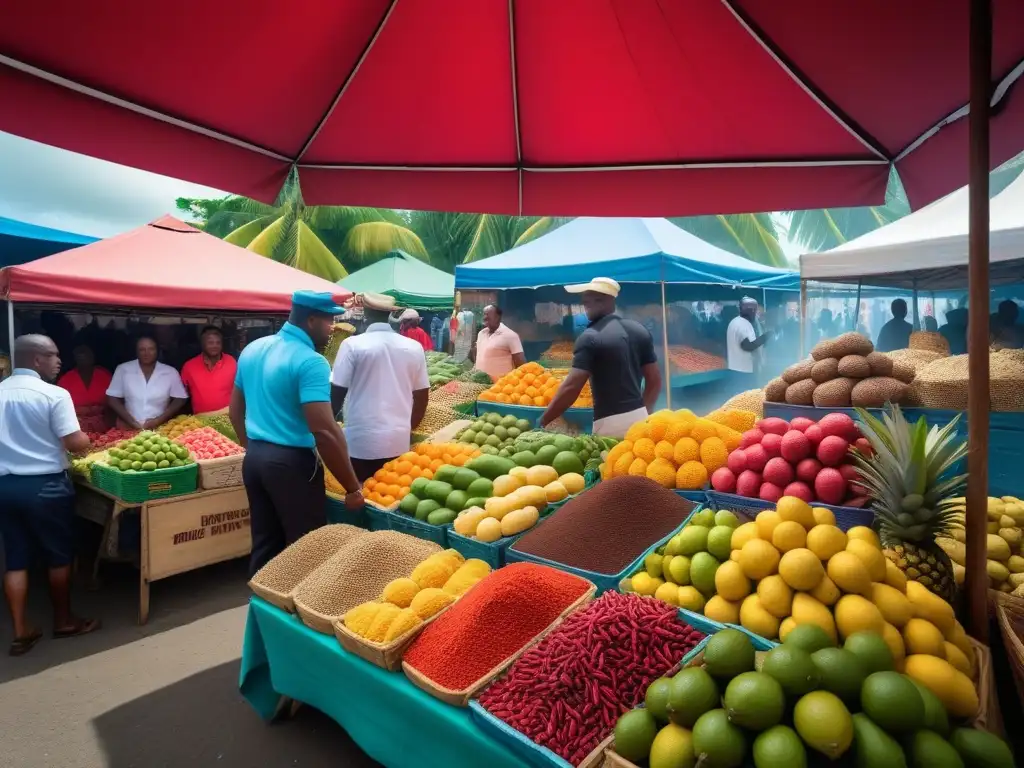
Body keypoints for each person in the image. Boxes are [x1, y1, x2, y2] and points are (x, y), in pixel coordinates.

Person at [230, 291, 363, 576]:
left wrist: (253, 447)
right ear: (312, 320)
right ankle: (296, 616)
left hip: (254, 459)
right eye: (329, 321)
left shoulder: (253, 349)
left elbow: (234, 412)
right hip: (290, 465)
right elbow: (325, 431)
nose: (332, 329)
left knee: (266, 543)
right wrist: (352, 488)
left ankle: (262, 609)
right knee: (307, 550)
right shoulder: (311, 362)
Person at [0, 335, 99, 656]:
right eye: (53, 355)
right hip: (46, 486)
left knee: (15, 559)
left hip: (7, 487)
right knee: (59, 555)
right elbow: (75, 442)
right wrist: (87, 438)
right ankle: (64, 620)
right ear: (36, 360)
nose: (59, 361)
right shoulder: (54, 394)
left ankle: (20, 631)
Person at [540, 278, 661, 437]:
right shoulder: (639, 330)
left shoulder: (590, 337)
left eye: (590, 301)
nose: (585, 304)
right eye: (585, 302)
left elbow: (571, 387)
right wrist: (644, 411)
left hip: (609, 424)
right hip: (640, 418)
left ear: (607, 301)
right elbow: (654, 380)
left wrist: (543, 420)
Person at [331, 294, 430, 481]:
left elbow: (336, 393)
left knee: (362, 492)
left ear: (365, 314)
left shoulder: (352, 345)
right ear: (390, 315)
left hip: (361, 441)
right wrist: (407, 427)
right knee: (388, 494)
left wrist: (326, 433)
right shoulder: (413, 347)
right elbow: (422, 396)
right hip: (398, 440)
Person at [106, 336, 188, 430]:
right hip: (128, 427)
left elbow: (180, 399)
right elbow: (112, 398)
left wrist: (158, 420)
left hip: (160, 428)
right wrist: (131, 422)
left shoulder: (170, 372)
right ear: (136, 351)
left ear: (157, 351)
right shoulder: (123, 369)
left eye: (151, 349)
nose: (146, 353)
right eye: (142, 349)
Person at [180, 326, 237, 414]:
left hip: (228, 418)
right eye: (210, 343)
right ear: (202, 344)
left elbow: (239, 390)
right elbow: (182, 395)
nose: (215, 346)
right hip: (200, 421)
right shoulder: (189, 366)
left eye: (218, 343)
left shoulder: (232, 362)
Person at [726, 297, 770, 393]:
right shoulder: (743, 325)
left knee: (737, 397)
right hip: (744, 370)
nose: (754, 312)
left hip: (734, 367)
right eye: (752, 310)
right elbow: (748, 346)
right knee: (747, 396)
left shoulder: (734, 322)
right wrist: (765, 337)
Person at [472, 305, 526, 381]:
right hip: (480, 382)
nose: (484, 317)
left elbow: (521, 364)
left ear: (498, 317)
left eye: (488, 314)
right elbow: (479, 352)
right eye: (484, 314)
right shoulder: (481, 333)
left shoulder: (510, 335)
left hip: (500, 386)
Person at [57, 345, 113, 410]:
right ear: (75, 359)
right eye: (80, 357)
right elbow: (61, 405)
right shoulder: (66, 379)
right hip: (75, 418)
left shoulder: (104, 376)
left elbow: (114, 402)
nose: (83, 359)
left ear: (93, 357)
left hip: (103, 418)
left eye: (87, 356)